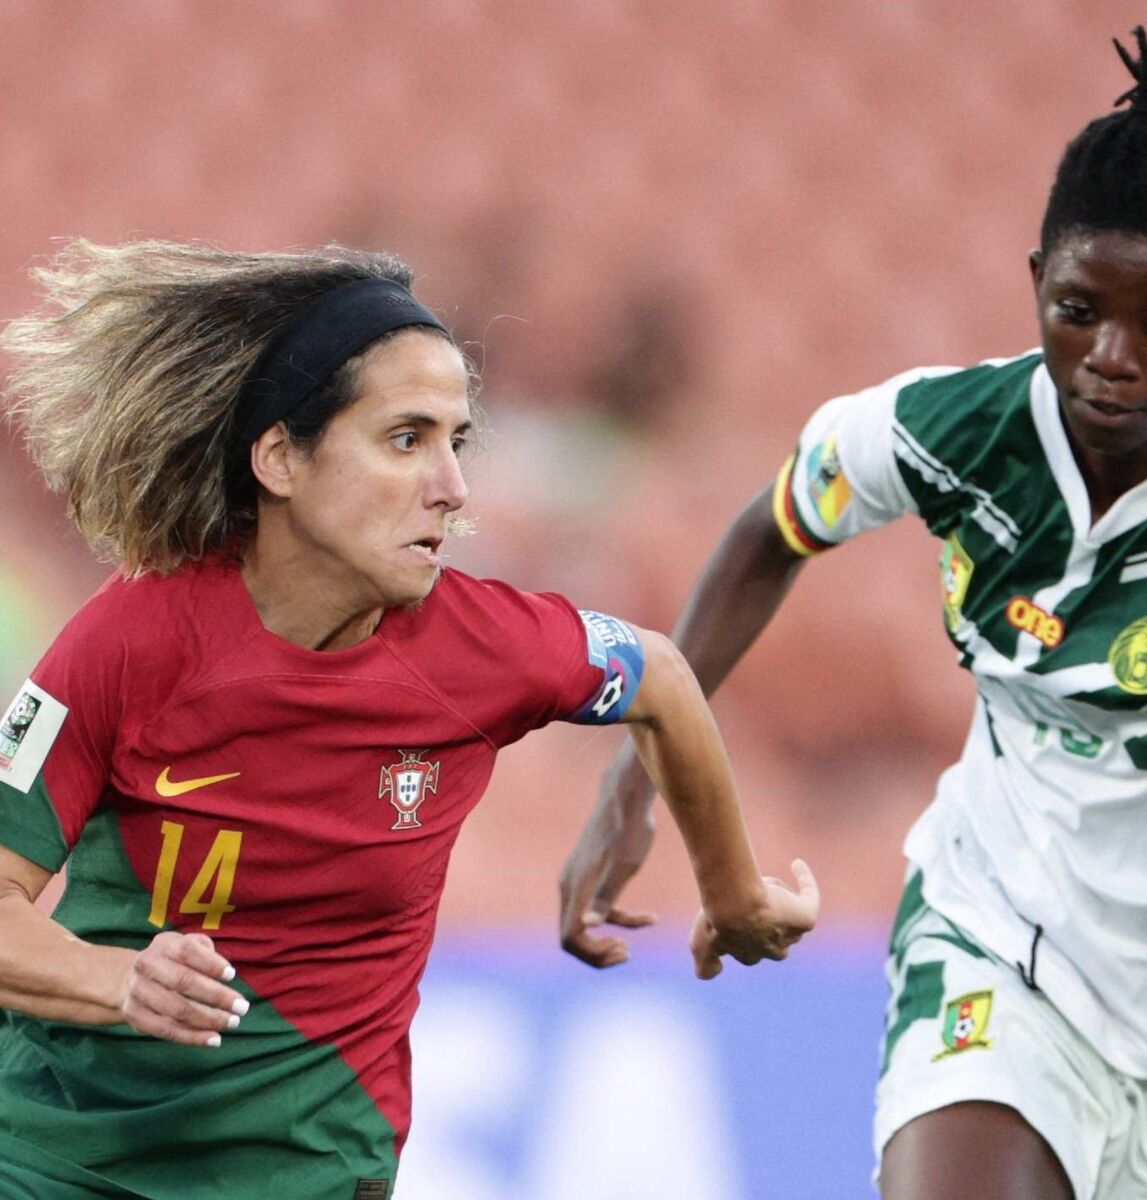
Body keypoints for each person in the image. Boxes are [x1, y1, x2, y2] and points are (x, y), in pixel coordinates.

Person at [0, 240, 819, 1199]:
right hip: (58, 1164)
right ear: (281, 458)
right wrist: (120, 983)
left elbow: (662, 677)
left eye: (456, 442)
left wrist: (734, 899)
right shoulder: (131, 641)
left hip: (310, 1175)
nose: (452, 487)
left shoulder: (483, 647)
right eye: (405, 439)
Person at [559, 13, 1147, 1200]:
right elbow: (764, 536)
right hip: (1004, 947)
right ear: (1035, 286)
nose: (1112, 356)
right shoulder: (945, 431)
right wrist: (634, 781)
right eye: (1078, 311)